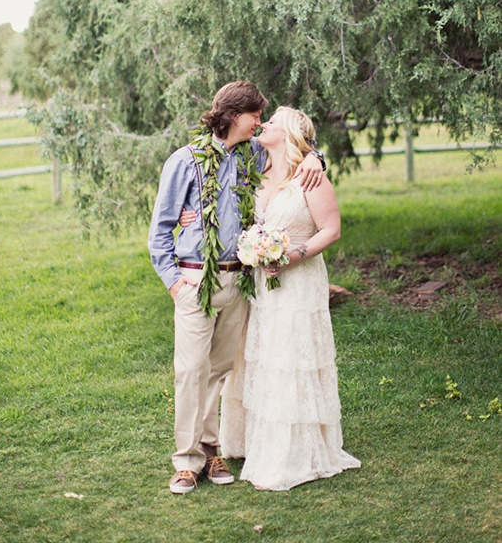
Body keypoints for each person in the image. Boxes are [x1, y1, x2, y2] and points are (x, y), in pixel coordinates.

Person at [148, 83, 325, 495]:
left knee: (220, 371)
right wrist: (175, 283)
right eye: (255, 116)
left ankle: (212, 450)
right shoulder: (186, 161)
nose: (260, 123)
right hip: (197, 280)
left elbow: (296, 149)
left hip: (238, 280)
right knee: (191, 371)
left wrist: (317, 156)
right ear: (233, 115)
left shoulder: (252, 156)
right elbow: (159, 231)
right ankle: (186, 461)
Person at [218, 106, 361, 491]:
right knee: (261, 356)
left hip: (298, 280)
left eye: (273, 120)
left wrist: (290, 256)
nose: (264, 123)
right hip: (262, 283)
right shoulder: (256, 168)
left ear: (290, 133)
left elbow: (331, 229)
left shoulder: (310, 176)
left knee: (290, 358)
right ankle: (253, 440)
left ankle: (293, 450)